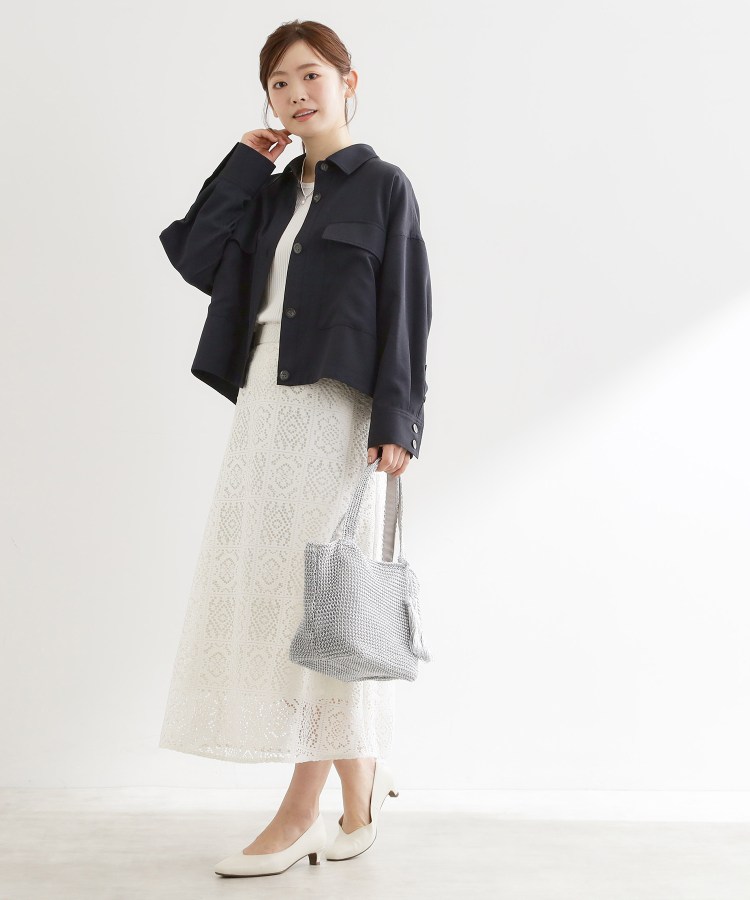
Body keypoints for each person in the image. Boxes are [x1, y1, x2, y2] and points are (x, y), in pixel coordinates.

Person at [157, 19, 432, 877]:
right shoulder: (269, 194)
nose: (296, 94)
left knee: (319, 604)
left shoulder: (384, 187)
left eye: (311, 75)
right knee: (291, 606)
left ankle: (300, 809)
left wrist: (398, 422)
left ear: (350, 81)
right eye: (279, 83)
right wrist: (244, 163)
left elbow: (407, 310)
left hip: (339, 417)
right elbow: (195, 255)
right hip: (265, 414)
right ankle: (361, 788)